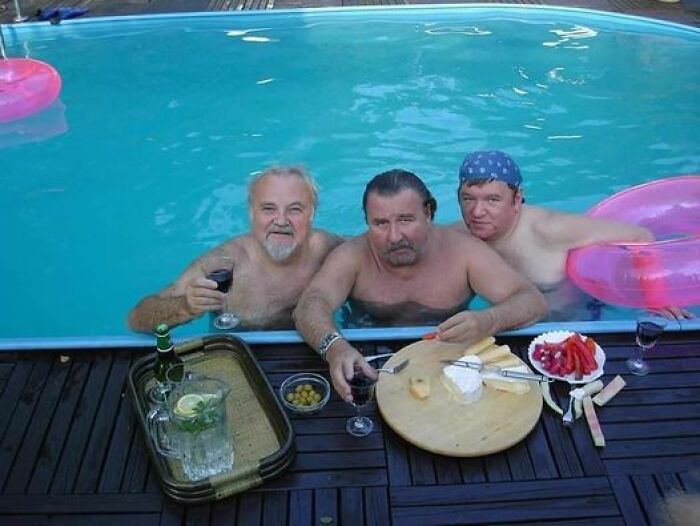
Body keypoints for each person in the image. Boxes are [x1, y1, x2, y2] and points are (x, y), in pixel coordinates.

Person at [293, 169, 548, 401]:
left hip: (448, 362)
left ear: (428, 213)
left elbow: (532, 300)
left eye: (405, 220)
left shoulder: (465, 253)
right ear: (367, 221)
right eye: (380, 223)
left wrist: (489, 320)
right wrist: (335, 348)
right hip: (365, 359)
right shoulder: (353, 256)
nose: (394, 236)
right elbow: (309, 306)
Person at [453, 150, 693, 320]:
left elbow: (641, 236)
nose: (477, 212)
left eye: (492, 200)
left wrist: (655, 300)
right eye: (468, 198)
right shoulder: (458, 236)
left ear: (517, 199)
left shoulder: (550, 230)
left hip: (579, 323)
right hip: (510, 328)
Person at [128, 166, 343, 333]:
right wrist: (185, 306)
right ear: (251, 213)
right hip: (235, 354)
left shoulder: (330, 250)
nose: (281, 220)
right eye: (268, 209)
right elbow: (136, 319)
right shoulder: (222, 265)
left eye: (294, 209)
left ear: (312, 213)